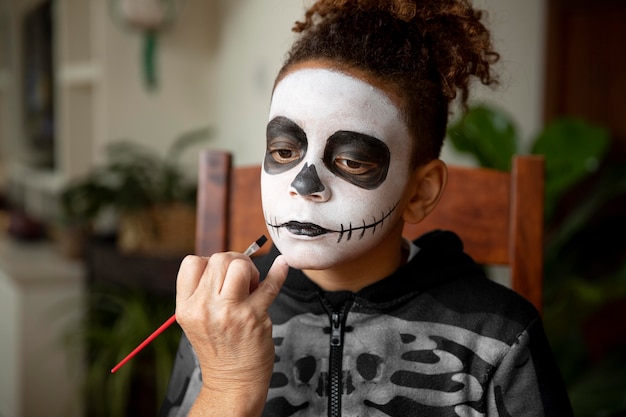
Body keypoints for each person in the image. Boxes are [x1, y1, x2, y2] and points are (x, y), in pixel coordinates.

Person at [161, 0, 574, 416]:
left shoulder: (500, 336)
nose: (304, 186)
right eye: (284, 150)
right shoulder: (221, 314)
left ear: (420, 193)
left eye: (352, 161)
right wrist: (228, 385)